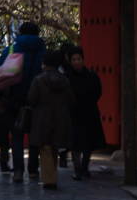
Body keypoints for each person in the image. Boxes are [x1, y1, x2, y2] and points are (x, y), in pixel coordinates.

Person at [0, 22, 46, 183]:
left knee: (16, 136)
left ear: (20, 32)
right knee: (34, 135)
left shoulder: (11, 49)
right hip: (38, 100)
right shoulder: (44, 52)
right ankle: (33, 170)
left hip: (14, 99)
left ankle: (18, 171)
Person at [26, 50, 75, 190]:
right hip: (61, 117)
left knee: (45, 148)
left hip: (42, 117)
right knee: (54, 147)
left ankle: (49, 180)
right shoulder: (65, 81)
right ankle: (52, 176)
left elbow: (32, 99)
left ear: (44, 64)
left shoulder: (38, 80)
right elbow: (71, 100)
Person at [62, 45, 105, 180]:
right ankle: (77, 167)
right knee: (75, 142)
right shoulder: (66, 77)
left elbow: (98, 92)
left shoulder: (92, 76)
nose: (76, 62)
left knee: (88, 141)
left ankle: (85, 165)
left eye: (78, 59)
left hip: (89, 112)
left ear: (83, 59)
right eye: (73, 59)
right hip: (73, 113)